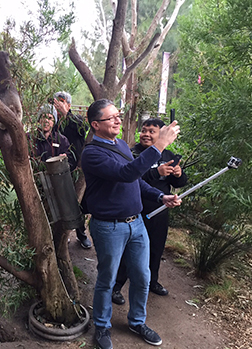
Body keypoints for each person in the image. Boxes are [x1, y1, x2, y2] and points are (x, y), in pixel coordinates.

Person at [81, 99, 182, 349]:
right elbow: (125, 173)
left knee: (142, 276)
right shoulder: (92, 153)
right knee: (107, 278)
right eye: (111, 117)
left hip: (136, 224)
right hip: (108, 226)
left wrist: (160, 196)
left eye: (118, 115)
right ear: (96, 125)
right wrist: (160, 144)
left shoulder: (123, 145)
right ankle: (102, 326)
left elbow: (135, 180)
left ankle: (137, 321)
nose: (118, 120)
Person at [112, 118, 188, 306]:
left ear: (161, 134)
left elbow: (179, 183)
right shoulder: (132, 153)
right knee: (127, 250)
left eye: (151, 131)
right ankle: (116, 286)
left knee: (156, 248)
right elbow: (129, 176)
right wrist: (156, 172)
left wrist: (178, 174)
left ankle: (153, 281)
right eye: (144, 130)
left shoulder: (167, 153)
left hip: (160, 210)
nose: (146, 134)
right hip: (135, 210)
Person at [52, 91, 92, 249]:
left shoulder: (76, 120)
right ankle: (64, 234)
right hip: (60, 171)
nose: (58, 105)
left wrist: (66, 114)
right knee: (62, 202)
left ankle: (81, 234)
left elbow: (84, 130)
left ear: (68, 104)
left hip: (78, 169)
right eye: (56, 102)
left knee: (80, 202)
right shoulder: (54, 122)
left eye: (62, 102)